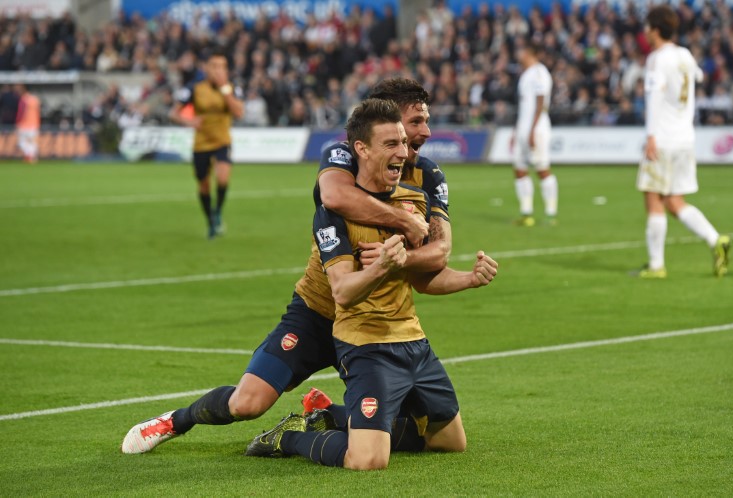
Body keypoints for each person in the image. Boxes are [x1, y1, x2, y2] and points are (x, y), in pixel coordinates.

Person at [120, 79, 447, 455]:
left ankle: (324, 415)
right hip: (319, 311)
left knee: (420, 428)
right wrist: (404, 224)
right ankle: (176, 420)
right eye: (414, 123)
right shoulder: (343, 157)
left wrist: (405, 261)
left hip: (376, 328)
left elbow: (441, 252)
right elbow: (334, 195)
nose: (423, 133)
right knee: (248, 403)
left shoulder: (428, 178)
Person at [243, 99, 498, 470]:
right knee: (367, 460)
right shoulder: (333, 213)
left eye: (403, 143)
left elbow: (423, 279)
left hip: (413, 341)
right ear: (360, 149)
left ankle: (333, 415)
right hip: (367, 343)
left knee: (449, 442)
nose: (404, 152)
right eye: (391, 144)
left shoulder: (415, 202)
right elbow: (343, 292)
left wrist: (469, 279)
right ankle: (289, 437)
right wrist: (382, 266)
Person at [637, 5, 730, 279]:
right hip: (685, 140)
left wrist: (651, 136)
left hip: (663, 138)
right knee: (674, 201)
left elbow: (654, 98)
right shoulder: (685, 55)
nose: (645, 32)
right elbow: (699, 75)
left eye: (647, 27)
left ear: (655, 30)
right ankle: (716, 241)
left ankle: (656, 265)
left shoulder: (656, 59)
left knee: (653, 199)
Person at [169, 48, 244, 239]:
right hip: (201, 144)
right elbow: (174, 113)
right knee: (203, 186)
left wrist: (225, 89)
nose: (218, 70)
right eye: (214, 66)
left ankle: (218, 211)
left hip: (222, 141)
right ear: (206, 68)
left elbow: (239, 112)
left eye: (222, 66)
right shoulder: (194, 88)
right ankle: (210, 221)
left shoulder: (231, 87)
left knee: (223, 178)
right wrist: (189, 121)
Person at [511, 41, 558, 227]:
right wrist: (517, 131)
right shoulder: (526, 74)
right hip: (524, 127)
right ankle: (526, 213)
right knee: (519, 168)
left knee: (542, 169)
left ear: (530, 52)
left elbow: (541, 102)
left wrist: (532, 129)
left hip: (536, 128)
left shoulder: (540, 72)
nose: (519, 54)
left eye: (522, 50)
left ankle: (550, 214)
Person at [15, 84, 40, 164]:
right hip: (34, 124)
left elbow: (21, 113)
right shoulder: (35, 99)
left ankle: (29, 155)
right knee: (32, 142)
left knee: (21, 142)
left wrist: (18, 122)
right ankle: (32, 157)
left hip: (24, 124)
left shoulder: (23, 100)